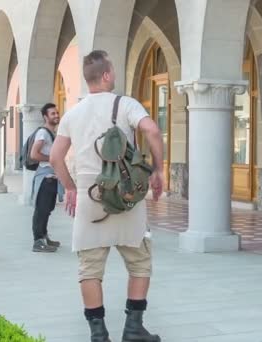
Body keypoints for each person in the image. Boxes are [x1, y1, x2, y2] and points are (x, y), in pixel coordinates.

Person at [50, 50, 163, 342]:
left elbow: (55, 157)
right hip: (124, 193)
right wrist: (157, 169)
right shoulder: (125, 104)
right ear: (107, 75)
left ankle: (99, 335)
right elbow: (151, 129)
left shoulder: (72, 114)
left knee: (90, 267)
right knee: (140, 262)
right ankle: (134, 328)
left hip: (90, 195)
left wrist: (71, 187)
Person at [30, 103, 61, 253]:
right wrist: (52, 159)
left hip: (52, 177)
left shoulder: (52, 133)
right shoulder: (43, 133)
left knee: (47, 210)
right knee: (41, 210)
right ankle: (38, 241)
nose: (56, 115)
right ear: (45, 117)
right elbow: (34, 154)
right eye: (52, 114)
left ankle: (44, 236)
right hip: (45, 178)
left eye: (57, 113)